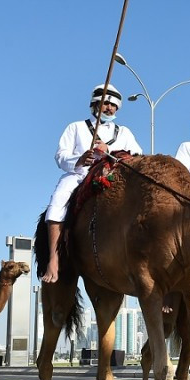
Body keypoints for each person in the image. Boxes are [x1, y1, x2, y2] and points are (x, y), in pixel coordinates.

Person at [41, 84, 143, 283]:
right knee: (58, 201)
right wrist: (79, 159)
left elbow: (138, 156)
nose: (109, 108)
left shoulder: (124, 132)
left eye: (113, 106)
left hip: (113, 177)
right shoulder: (76, 127)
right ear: (95, 104)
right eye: (105, 103)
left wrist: (109, 150)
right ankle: (54, 258)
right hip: (80, 175)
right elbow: (60, 156)